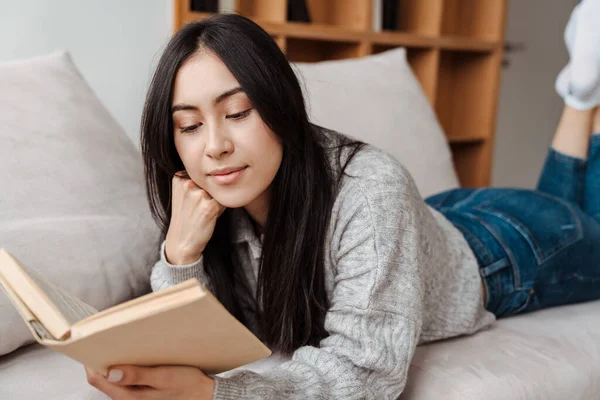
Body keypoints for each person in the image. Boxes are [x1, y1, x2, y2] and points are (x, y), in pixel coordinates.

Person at [84, 4, 600, 399]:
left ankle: (580, 94)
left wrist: (217, 394)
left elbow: (366, 371)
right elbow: (204, 337)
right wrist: (180, 256)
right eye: (190, 125)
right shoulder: (204, 202)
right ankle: (582, 94)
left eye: (238, 113)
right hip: (423, 224)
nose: (214, 145)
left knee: (582, 221)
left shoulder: (370, 188)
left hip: (501, 250)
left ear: (280, 105)